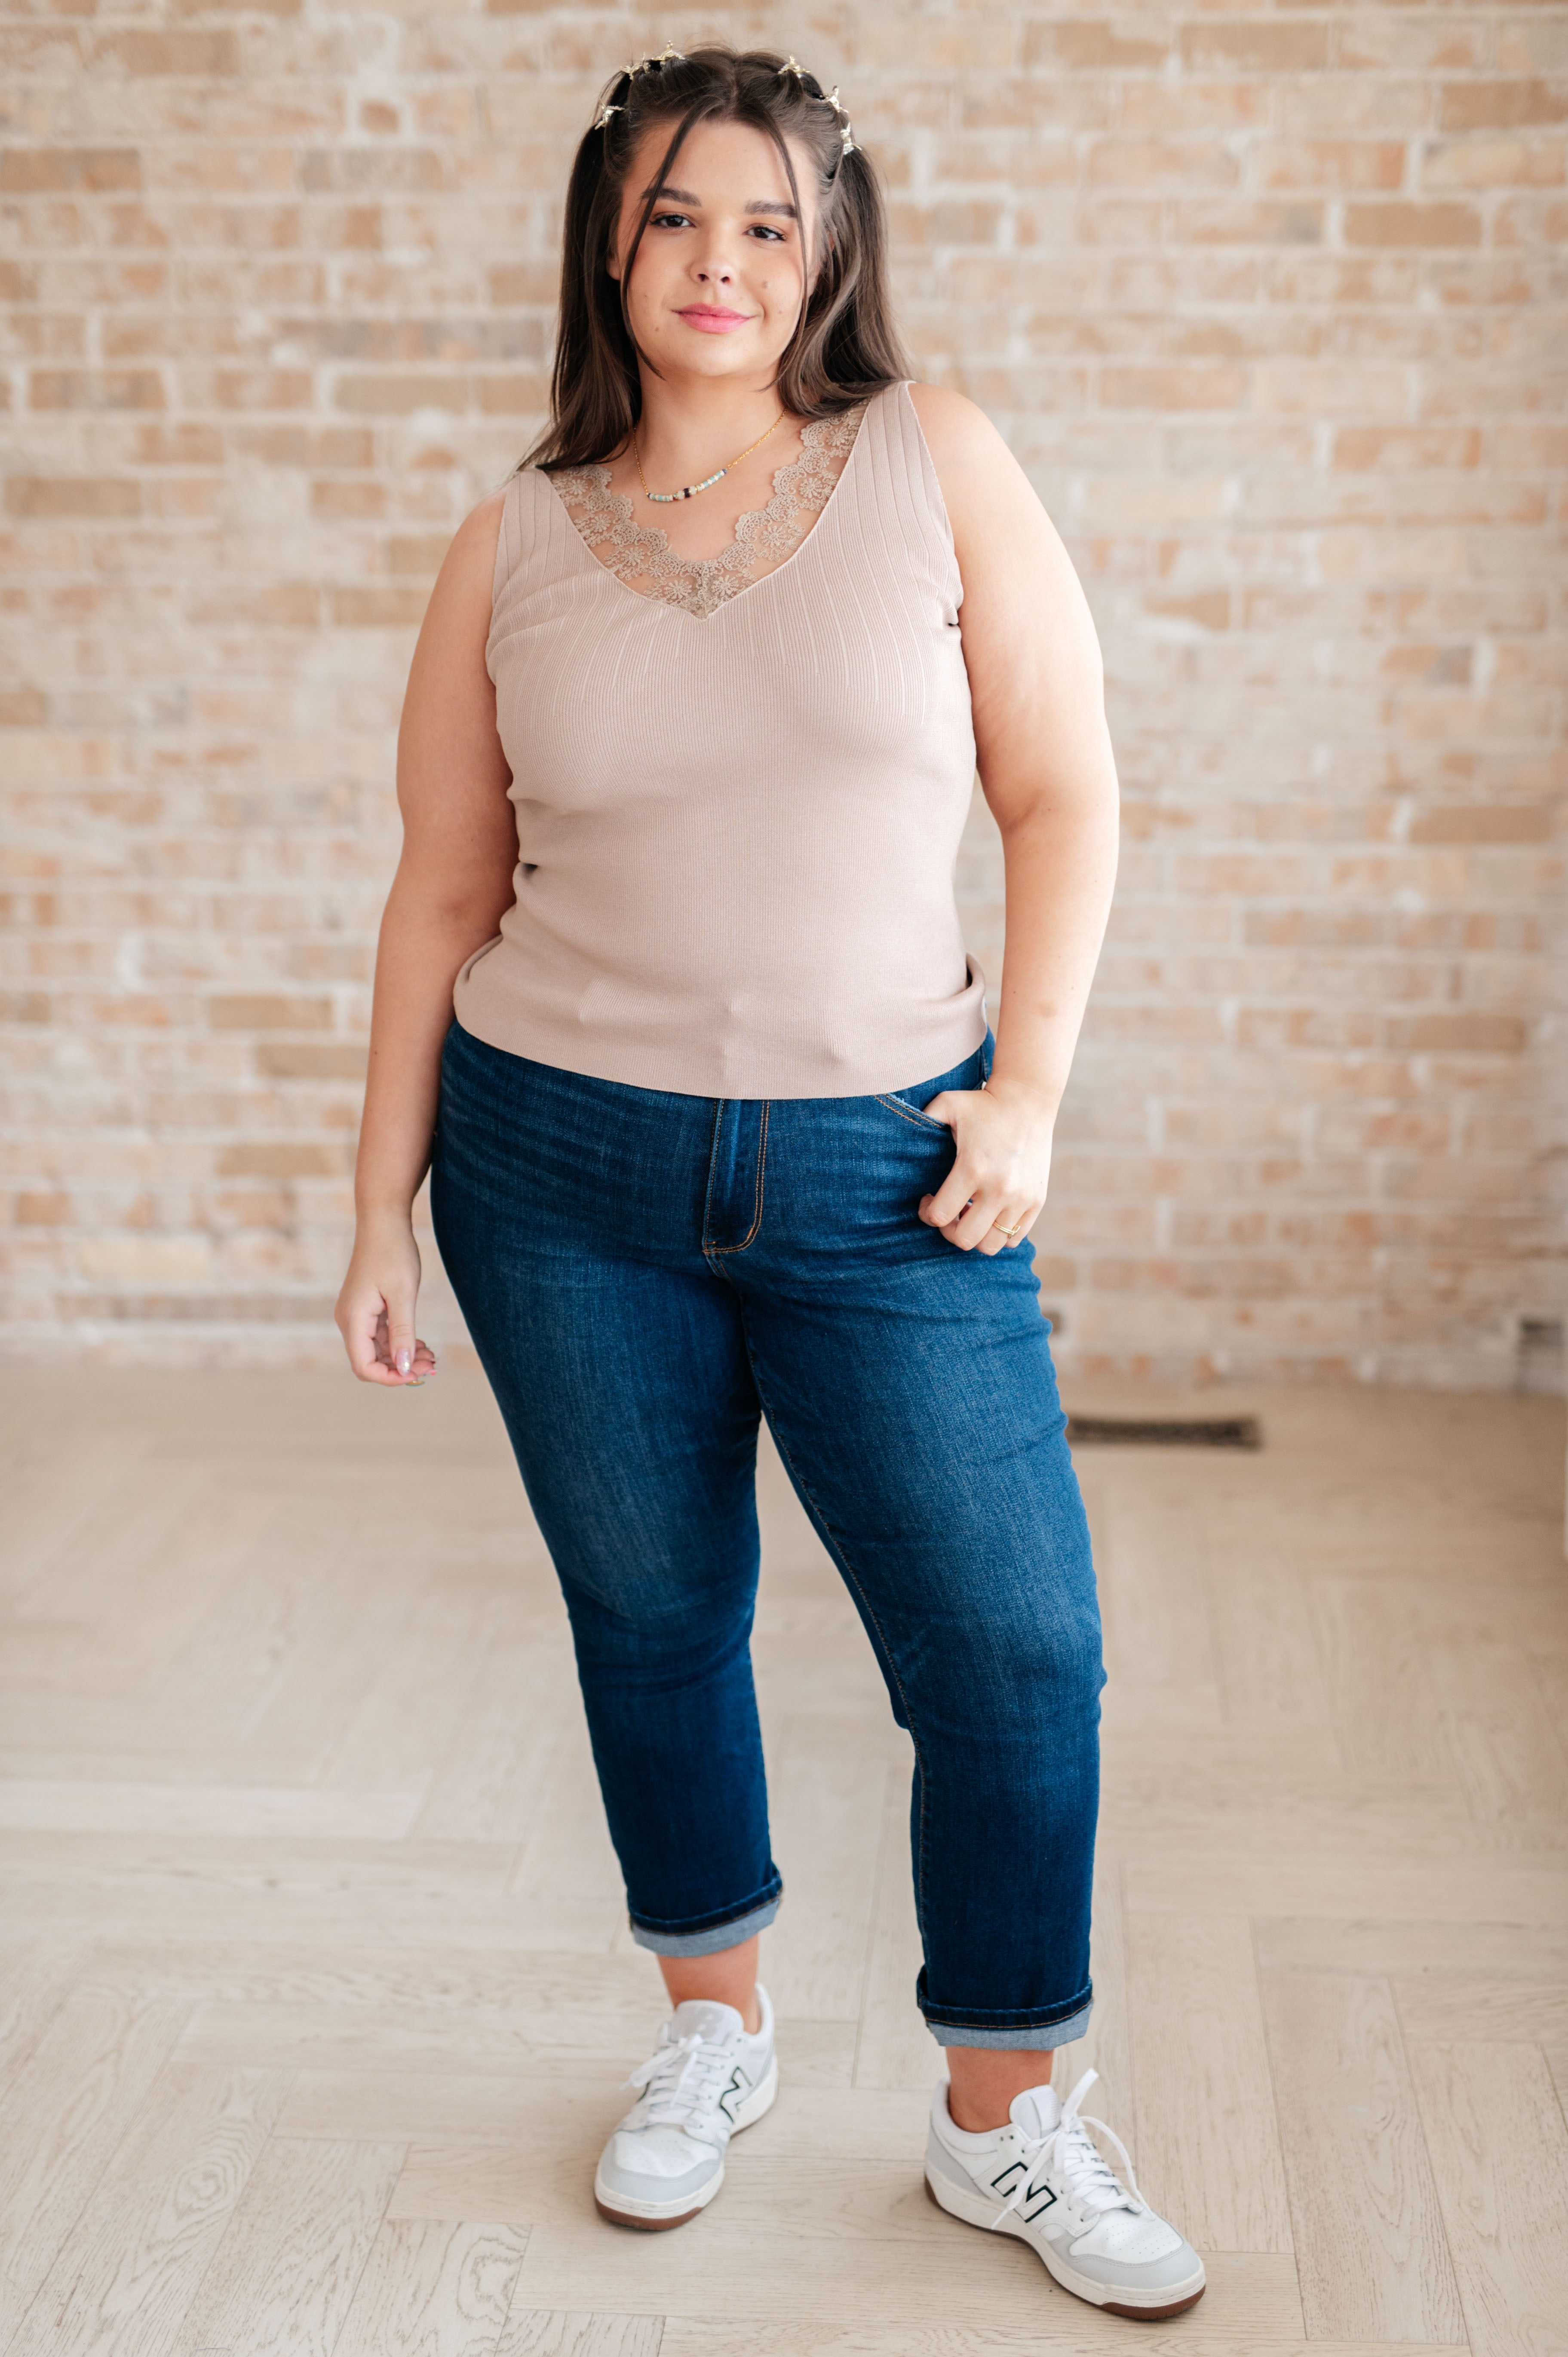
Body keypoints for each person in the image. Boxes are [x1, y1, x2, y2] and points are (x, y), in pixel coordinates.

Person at [334, 40, 1205, 2322]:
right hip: (555, 1173)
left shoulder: (932, 461)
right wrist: (376, 1210)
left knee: (1018, 1654)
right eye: (672, 218)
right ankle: (708, 2039)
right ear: (605, 248)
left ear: (825, 256)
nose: (718, 261)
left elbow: (1069, 796)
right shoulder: (509, 542)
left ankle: (1004, 2116)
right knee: (654, 1625)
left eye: (766, 223)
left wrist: (1028, 1092)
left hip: (883, 1180)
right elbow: (439, 894)